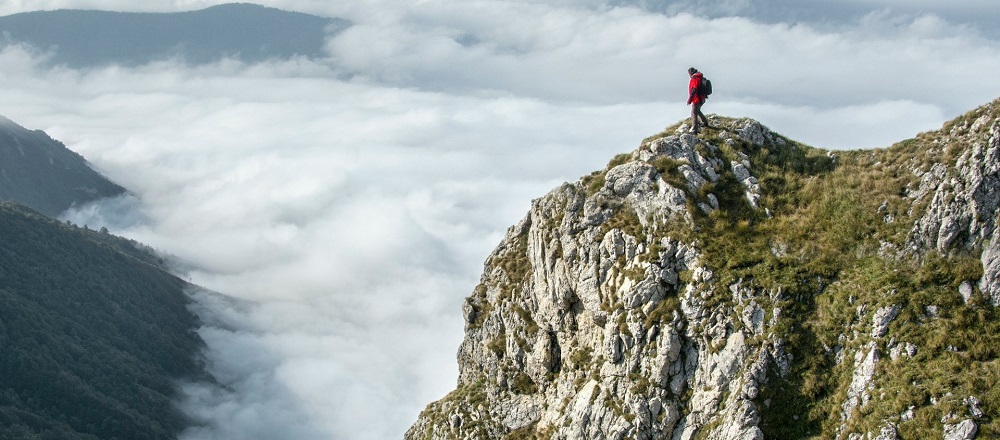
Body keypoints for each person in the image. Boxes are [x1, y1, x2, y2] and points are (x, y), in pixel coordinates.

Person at [687, 67, 709, 134]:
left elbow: (694, 90)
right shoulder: (700, 77)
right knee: (697, 111)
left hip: (697, 99)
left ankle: (694, 129)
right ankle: (704, 122)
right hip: (702, 98)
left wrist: (689, 100)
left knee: (693, 113)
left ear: (690, 73)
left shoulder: (695, 79)